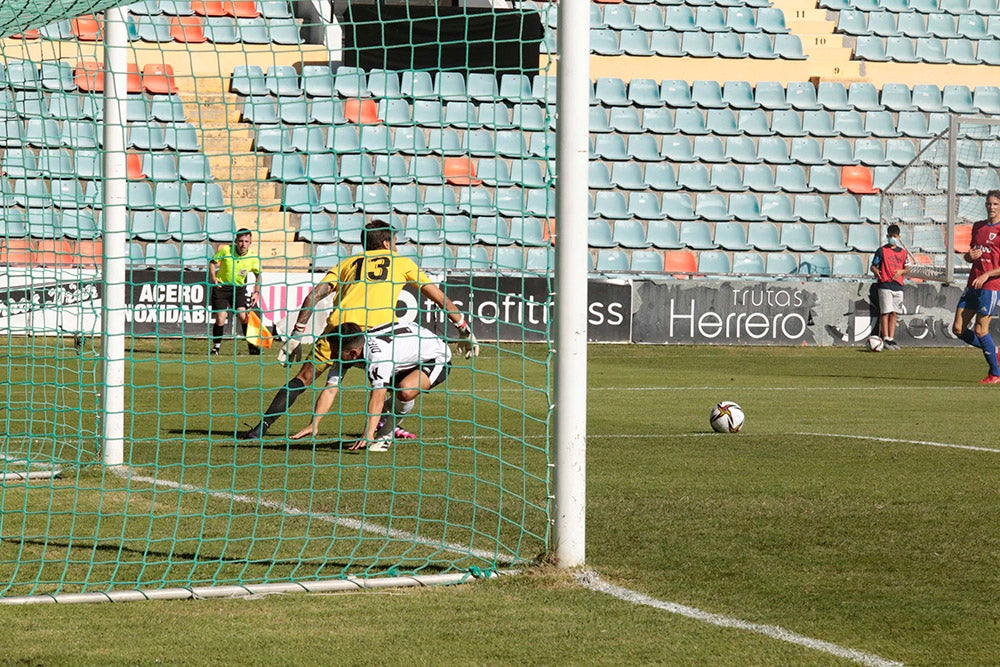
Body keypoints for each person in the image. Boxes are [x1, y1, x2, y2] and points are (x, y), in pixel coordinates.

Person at [240, 221, 478, 440]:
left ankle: (261, 428)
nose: (396, 246)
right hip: (377, 336)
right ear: (386, 243)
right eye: (394, 242)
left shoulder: (346, 263)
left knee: (303, 379)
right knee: (398, 379)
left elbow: (314, 295)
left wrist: (297, 333)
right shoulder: (401, 263)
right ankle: (385, 424)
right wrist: (463, 329)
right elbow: (440, 298)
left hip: (337, 334)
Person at [314, 321, 453, 452]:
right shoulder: (351, 351)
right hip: (403, 355)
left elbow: (378, 396)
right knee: (391, 388)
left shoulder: (377, 357)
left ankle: (386, 433)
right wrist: (314, 423)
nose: (332, 356)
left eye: (335, 352)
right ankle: (388, 408)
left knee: (405, 391)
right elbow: (330, 389)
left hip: (435, 355)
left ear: (353, 353)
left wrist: (368, 433)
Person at [952, 190, 1000, 384]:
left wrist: (988, 274)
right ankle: (994, 351)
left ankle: (995, 373)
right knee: (958, 329)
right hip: (973, 283)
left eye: (995, 204)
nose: (991, 207)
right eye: (989, 204)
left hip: (991, 285)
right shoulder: (978, 227)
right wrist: (968, 256)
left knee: (981, 330)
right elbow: (969, 254)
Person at [209, 228, 262, 356]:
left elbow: (258, 274)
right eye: (240, 241)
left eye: (246, 241)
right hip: (222, 288)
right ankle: (216, 347)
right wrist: (213, 278)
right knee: (221, 319)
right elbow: (212, 262)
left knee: (243, 316)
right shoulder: (226, 250)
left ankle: (252, 345)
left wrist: (256, 292)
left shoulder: (253, 257)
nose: (243, 244)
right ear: (235, 241)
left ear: (250, 242)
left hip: (238, 289)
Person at [870, 224, 912, 350]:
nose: (892, 238)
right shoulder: (881, 251)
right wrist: (875, 271)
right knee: (885, 311)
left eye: (894, 236)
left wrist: (901, 272)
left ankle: (891, 338)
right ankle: (885, 337)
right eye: (890, 236)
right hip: (885, 284)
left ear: (899, 237)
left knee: (894, 312)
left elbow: (908, 268)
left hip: (898, 285)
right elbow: (873, 265)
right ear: (887, 236)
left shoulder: (903, 253)